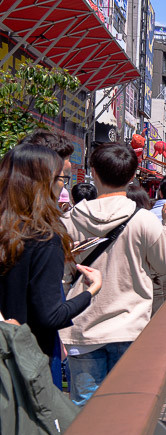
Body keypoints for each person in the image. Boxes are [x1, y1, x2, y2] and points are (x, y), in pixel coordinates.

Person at [61, 142, 166, 406]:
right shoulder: (144, 220)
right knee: (126, 407)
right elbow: (165, 265)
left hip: (82, 326)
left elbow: (63, 272)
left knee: (83, 410)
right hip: (130, 326)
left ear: (92, 172)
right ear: (132, 177)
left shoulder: (68, 221)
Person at [0, 144, 103, 389]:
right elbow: (51, 316)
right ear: (41, 183)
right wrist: (91, 291)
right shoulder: (44, 237)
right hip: (26, 362)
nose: (63, 187)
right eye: (60, 179)